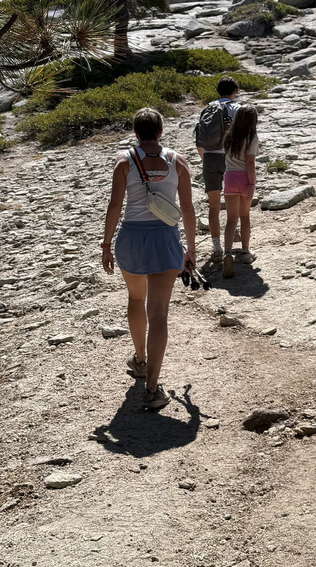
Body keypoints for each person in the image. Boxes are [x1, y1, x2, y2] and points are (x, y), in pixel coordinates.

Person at [102, 107, 196, 411]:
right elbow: (188, 208)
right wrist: (191, 248)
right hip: (165, 239)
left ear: (135, 132)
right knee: (159, 314)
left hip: (131, 238)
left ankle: (140, 360)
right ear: (160, 131)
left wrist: (106, 244)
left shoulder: (123, 160)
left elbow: (116, 204)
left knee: (134, 299)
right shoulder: (177, 161)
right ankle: (152, 387)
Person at [196, 77, 239, 262]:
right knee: (231, 204)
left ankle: (216, 248)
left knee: (213, 205)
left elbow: (199, 140)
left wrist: (204, 158)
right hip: (230, 160)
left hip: (209, 158)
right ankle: (231, 242)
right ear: (235, 91)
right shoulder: (236, 109)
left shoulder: (207, 109)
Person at [220, 105, 259, 279]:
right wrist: (251, 184)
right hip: (244, 178)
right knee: (245, 217)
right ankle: (244, 251)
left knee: (230, 219)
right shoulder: (251, 137)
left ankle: (227, 252)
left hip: (229, 178)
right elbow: (250, 162)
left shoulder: (228, 136)